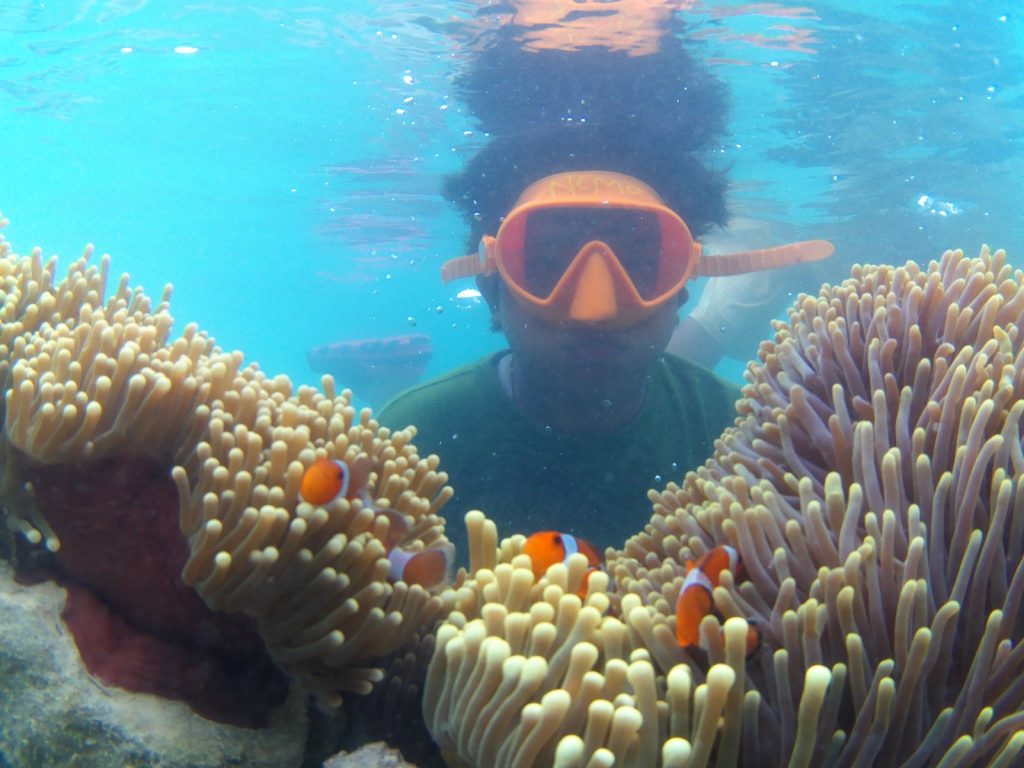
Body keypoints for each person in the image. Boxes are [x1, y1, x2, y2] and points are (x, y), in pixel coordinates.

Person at [377, 170, 830, 556]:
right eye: (549, 266)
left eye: (638, 268)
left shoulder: (748, 435)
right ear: (493, 292)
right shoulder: (411, 438)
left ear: (681, 294)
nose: (594, 309)